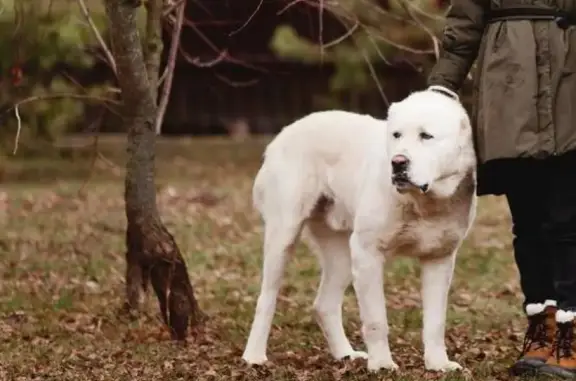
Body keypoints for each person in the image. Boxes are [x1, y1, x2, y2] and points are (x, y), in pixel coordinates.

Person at [425, 0, 576, 378]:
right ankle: (542, 332)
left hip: (569, 85)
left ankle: (570, 339)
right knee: (528, 225)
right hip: (509, 91)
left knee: (567, 222)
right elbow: (463, 26)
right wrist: (441, 87)